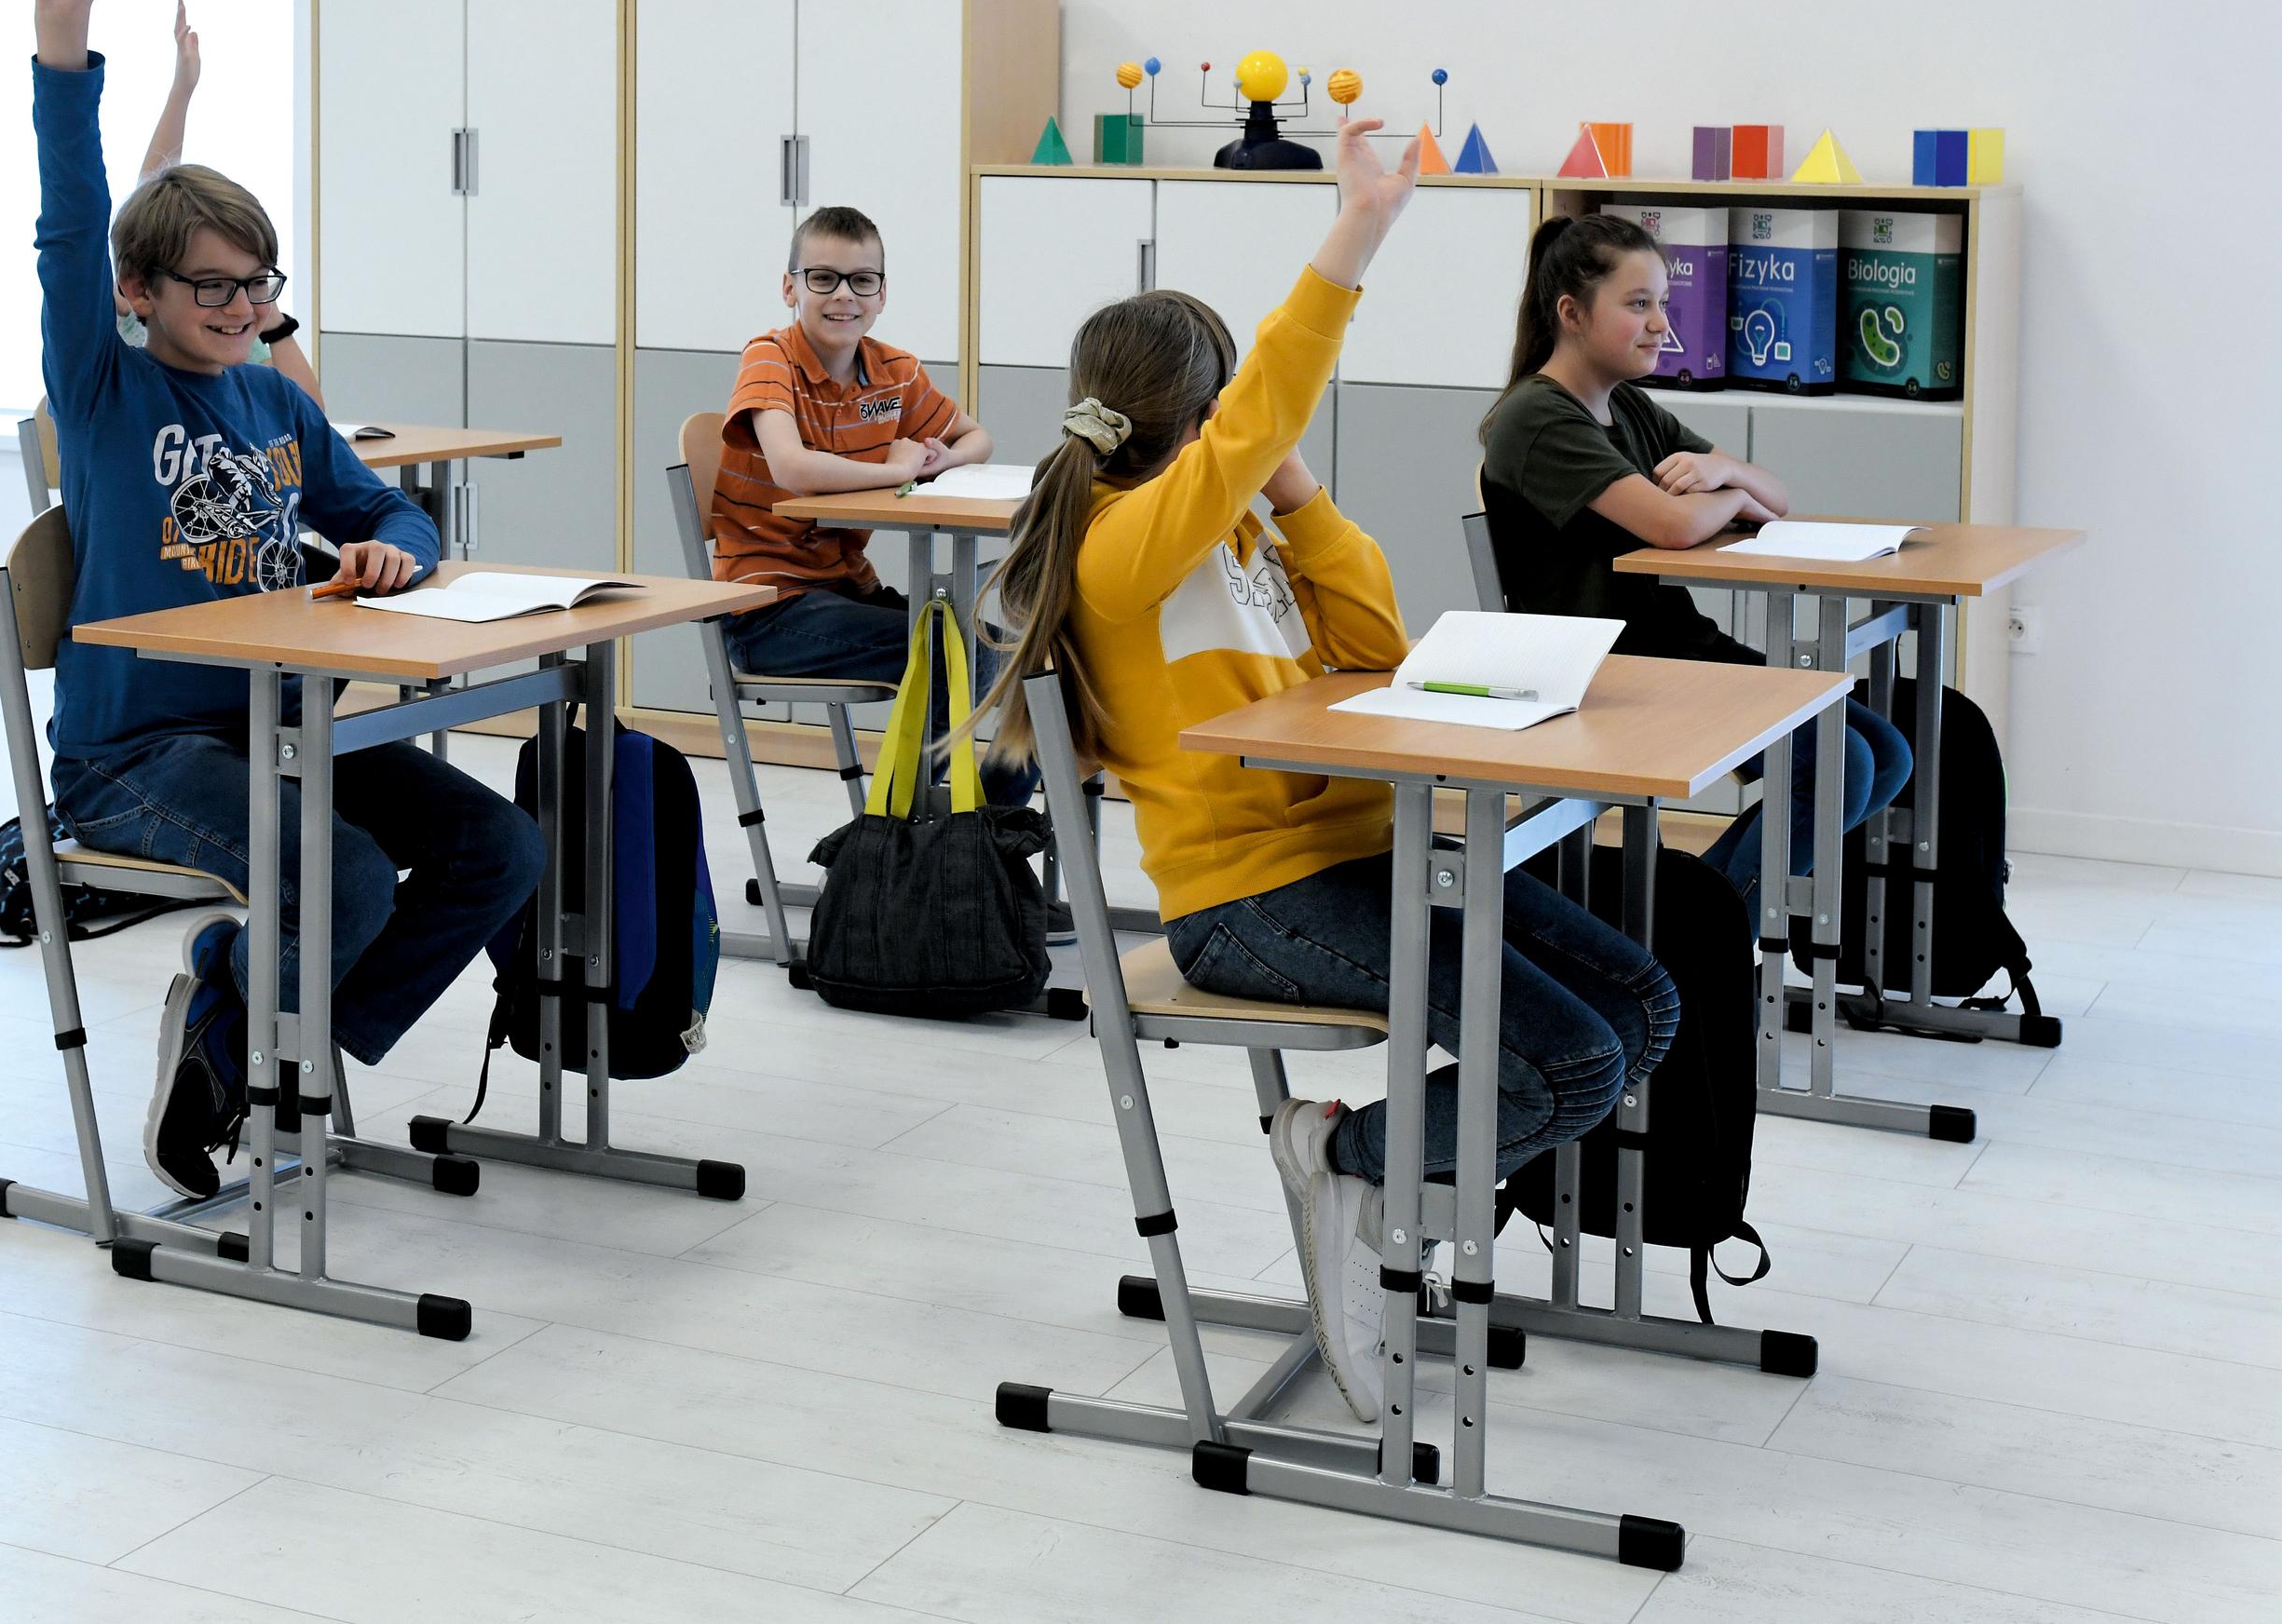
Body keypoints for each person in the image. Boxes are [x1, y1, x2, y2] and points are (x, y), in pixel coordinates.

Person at [973, 119, 1675, 1423]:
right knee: (1568, 1064)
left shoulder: (1230, 519)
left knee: (1644, 1006)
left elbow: (1372, 653)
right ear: (1201, 416)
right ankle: (1352, 1166)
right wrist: (1358, 225)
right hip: (1254, 899)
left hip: (1362, 852)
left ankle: (1360, 1177)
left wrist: (1300, 500)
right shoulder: (1123, 547)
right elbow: (1273, 396)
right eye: (1238, 421)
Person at [25, 0, 543, 1199]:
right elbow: (70, 207)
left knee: (501, 849)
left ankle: (257, 1038)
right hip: (136, 757)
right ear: (139, 292)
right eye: (216, 290)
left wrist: (394, 561)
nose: (247, 312)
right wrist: (65, 28)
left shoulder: (273, 397)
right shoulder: (104, 387)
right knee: (349, 871)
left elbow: (391, 510)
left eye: (261, 287)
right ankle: (261, 1042)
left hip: (279, 727)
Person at [1475, 211, 1911, 923]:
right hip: (1607, 668)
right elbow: (1675, 526)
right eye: (1638, 303)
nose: (1660, 324)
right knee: (1839, 762)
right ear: (1571, 313)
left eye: (1664, 304)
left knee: (1882, 754)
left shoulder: (1632, 410)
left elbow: (1778, 501)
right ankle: (1691, 941)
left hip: (1671, 645)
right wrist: (1729, 492)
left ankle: (1687, 923)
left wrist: (1725, 469)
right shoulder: (1537, 419)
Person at [706, 203, 995, 682]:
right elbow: (791, 468)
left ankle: (962, 763)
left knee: (996, 646)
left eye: (862, 280)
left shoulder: (895, 372)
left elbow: (977, 437)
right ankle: (929, 763)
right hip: (766, 610)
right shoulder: (769, 358)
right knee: (957, 653)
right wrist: (898, 472)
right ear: (789, 288)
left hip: (848, 589)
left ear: (882, 295)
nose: (844, 295)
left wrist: (946, 457)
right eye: (823, 278)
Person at [121, 0, 324, 403]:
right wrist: (182, 91)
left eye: (256, 280)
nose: (237, 304)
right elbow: (150, 199)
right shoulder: (147, 321)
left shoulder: (238, 323)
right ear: (141, 288)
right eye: (214, 283)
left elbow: (308, 427)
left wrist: (274, 319)